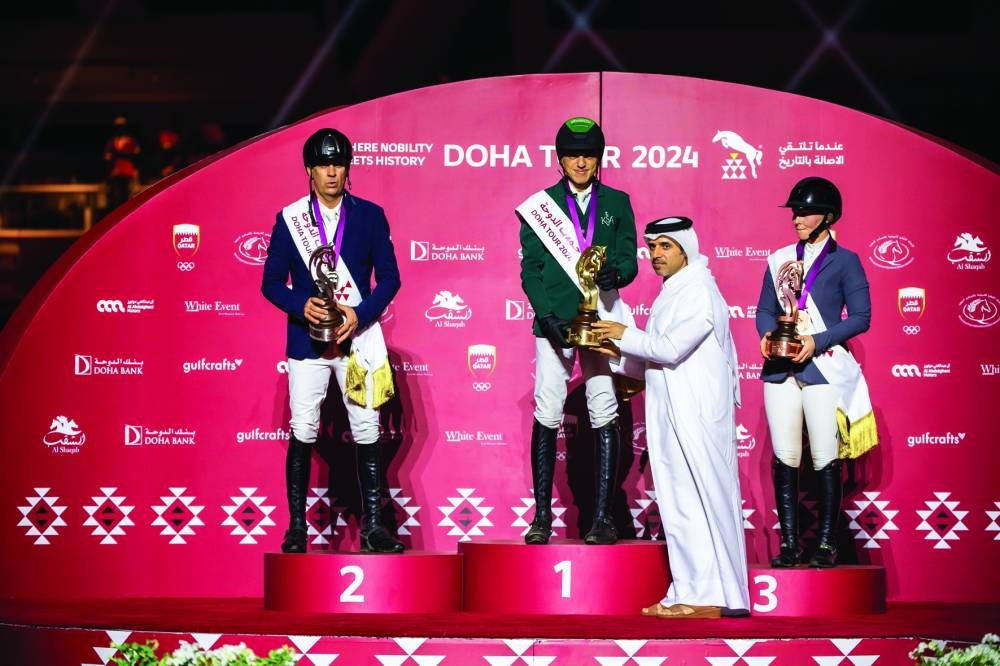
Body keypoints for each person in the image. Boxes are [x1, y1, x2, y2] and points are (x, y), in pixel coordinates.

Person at [592, 216, 750, 619]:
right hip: (672, 412)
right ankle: (690, 591)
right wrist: (619, 355)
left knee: (697, 501)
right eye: (652, 247)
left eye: (665, 246)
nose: (656, 255)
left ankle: (709, 596)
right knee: (680, 504)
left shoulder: (699, 290)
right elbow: (654, 358)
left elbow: (669, 349)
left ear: (685, 249)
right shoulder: (674, 290)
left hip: (696, 414)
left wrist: (621, 334)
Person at [261, 127, 404, 554]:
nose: (331, 172)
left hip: (356, 338)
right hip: (307, 341)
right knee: (303, 428)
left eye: (338, 164)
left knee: (366, 428)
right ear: (309, 169)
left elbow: (391, 278)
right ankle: (296, 528)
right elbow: (269, 282)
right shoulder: (290, 219)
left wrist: (360, 314)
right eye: (323, 164)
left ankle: (375, 527)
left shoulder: (370, 216)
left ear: (347, 169)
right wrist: (299, 304)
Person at [515, 117, 638, 546]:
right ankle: (542, 517)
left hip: (600, 318)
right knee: (548, 410)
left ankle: (603, 517)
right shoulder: (540, 207)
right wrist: (547, 316)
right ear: (560, 158)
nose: (581, 162)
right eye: (572, 154)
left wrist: (613, 275)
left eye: (588, 154)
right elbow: (530, 270)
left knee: (604, 407)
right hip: (553, 323)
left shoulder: (618, 202)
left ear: (599, 157)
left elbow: (630, 262)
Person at [756, 176, 876, 569]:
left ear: (828, 216)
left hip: (821, 367)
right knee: (785, 455)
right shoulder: (779, 260)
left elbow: (861, 318)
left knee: (825, 456)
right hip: (779, 367)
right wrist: (766, 335)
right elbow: (763, 310)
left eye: (805, 211)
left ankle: (827, 544)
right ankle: (789, 544)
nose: (797, 218)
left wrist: (817, 341)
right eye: (795, 211)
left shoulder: (846, 261)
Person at [103, 116, 141, 211]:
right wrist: (112, 169)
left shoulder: (131, 141)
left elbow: (135, 157)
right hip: (116, 174)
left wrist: (135, 172)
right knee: (116, 198)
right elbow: (108, 158)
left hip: (128, 173)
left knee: (128, 197)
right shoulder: (112, 142)